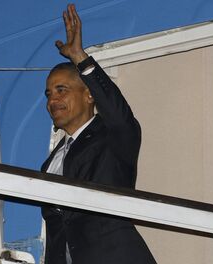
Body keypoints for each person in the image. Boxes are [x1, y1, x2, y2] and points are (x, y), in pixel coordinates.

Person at [41, 4, 156, 264]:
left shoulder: (112, 137)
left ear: (89, 95)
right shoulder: (51, 163)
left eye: (61, 90)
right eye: (48, 94)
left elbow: (118, 114)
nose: (53, 100)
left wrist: (80, 58)